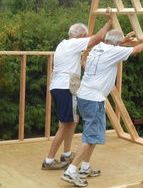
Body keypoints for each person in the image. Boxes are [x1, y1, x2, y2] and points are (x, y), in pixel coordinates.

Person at [60, 29, 143, 186]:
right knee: (90, 137)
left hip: (85, 95)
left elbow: (114, 48)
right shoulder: (113, 51)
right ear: (117, 43)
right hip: (93, 99)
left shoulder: (97, 48)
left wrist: (123, 40)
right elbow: (138, 50)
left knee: (92, 135)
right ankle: (71, 171)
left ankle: (85, 168)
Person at [41, 9, 113, 170]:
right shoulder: (74, 43)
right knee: (65, 124)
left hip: (59, 86)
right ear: (80, 36)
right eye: (85, 36)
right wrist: (109, 22)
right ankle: (49, 160)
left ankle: (66, 154)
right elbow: (98, 38)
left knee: (71, 121)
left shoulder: (63, 44)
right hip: (67, 87)